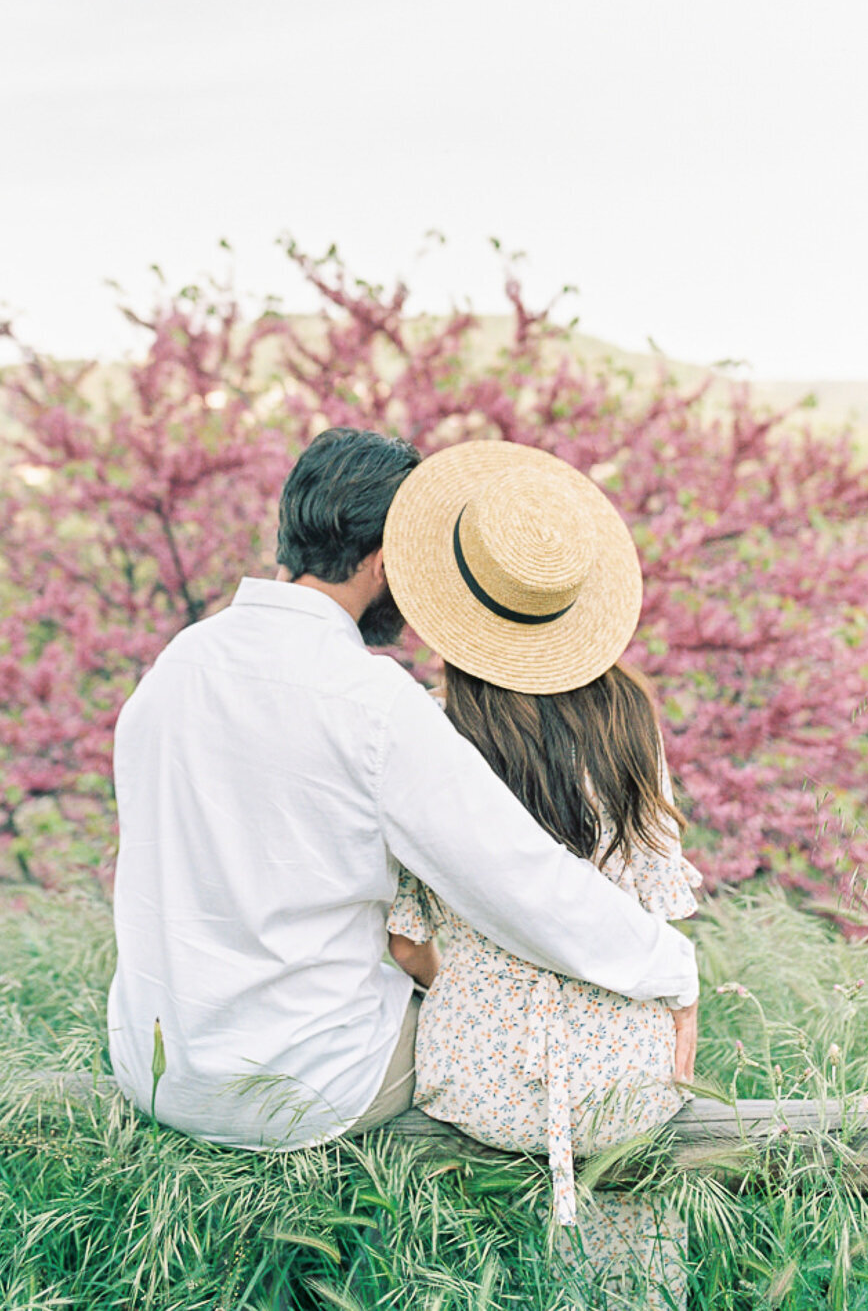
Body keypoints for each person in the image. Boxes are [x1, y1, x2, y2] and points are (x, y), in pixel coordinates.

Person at [107, 427, 697, 1157]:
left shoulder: (178, 663)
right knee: (484, 1023)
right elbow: (519, 882)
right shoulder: (372, 700)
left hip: (158, 1065)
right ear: (385, 564)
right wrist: (670, 967)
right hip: (307, 1085)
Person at [381, 438, 700, 1305]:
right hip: (625, 1088)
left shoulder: (434, 729)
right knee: (637, 1279)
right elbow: (660, 899)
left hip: (483, 1085)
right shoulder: (632, 718)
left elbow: (409, 943)